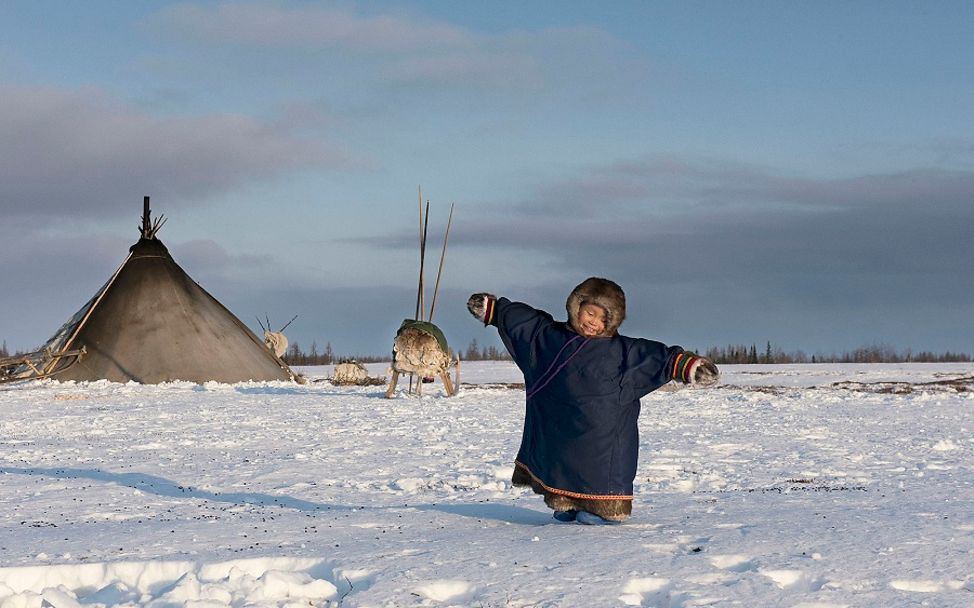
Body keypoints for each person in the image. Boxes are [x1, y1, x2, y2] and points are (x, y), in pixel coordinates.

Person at [466, 277, 719, 524]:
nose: (594, 323)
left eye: (603, 319)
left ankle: (601, 508)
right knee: (559, 458)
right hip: (559, 426)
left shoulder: (622, 352)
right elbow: (523, 324)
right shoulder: (549, 338)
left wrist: (689, 366)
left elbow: (656, 357)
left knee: (598, 466)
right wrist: (494, 309)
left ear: (613, 322)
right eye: (590, 313)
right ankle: (565, 501)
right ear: (576, 307)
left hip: (603, 436)